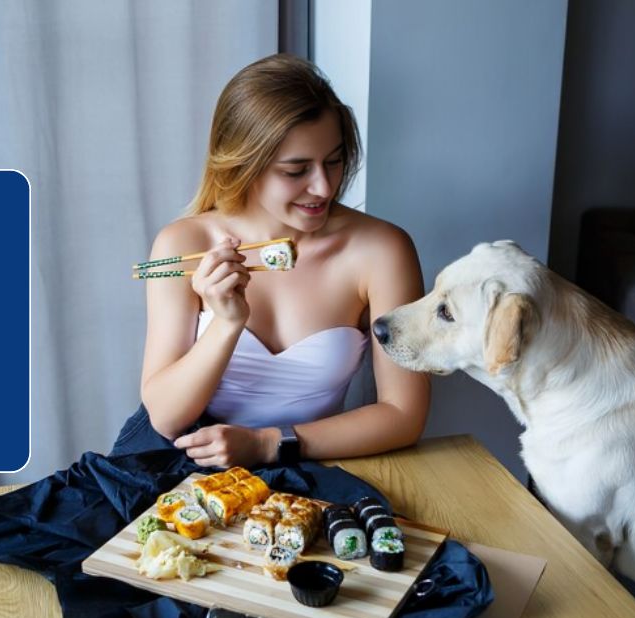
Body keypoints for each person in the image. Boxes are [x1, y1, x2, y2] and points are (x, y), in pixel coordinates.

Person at [113, 53, 429, 467]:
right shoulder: (183, 244)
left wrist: (269, 443)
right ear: (246, 164)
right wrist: (227, 323)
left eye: (333, 161)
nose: (323, 186)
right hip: (181, 463)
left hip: (312, 464)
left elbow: (404, 415)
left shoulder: (381, 250)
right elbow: (167, 418)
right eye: (296, 170)